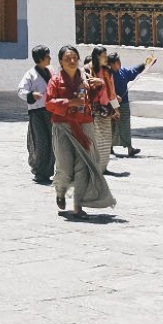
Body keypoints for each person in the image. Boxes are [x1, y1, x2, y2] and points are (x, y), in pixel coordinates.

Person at [46, 45, 115, 218]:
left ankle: (78, 205)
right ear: (61, 62)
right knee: (65, 165)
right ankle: (60, 191)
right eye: (67, 58)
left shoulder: (85, 79)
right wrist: (69, 103)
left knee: (83, 165)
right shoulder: (55, 81)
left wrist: (98, 86)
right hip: (63, 126)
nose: (71, 61)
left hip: (85, 125)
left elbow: (92, 99)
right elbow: (49, 103)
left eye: (74, 57)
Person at [17, 44, 55, 184]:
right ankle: (39, 171)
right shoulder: (30, 74)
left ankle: (48, 170)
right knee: (40, 142)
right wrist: (32, 95)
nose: (50, 58)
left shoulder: (50, 72)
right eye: (47, 56)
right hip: (37, 113)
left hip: (50, 112)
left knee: (52, 142)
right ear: (40, 58)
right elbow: (21, 90)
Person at [109, 52, 156, 158]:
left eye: (119, 61)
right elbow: (106, 89)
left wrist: (146, 64)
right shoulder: (108, 75)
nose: (119, 63)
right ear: (111, 64)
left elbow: (134, 71)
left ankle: (130, 149)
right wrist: (115, 97)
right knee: (112, 127)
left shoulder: (123, 72)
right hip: (112, 104)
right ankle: (109, 147)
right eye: (117, 62)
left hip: (124, 103)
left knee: (125, 126)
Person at [85, 46, 118, 174]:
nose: (106, 58)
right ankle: (95, 167)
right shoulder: (87, 69)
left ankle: (103, 167)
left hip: (106, 109)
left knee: (106, 139)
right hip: (94, 110)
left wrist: (116, 108)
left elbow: (112, 91)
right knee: (96, 139)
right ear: (97, 56)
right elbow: (86, 85)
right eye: (104, 55)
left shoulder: (107, 71)